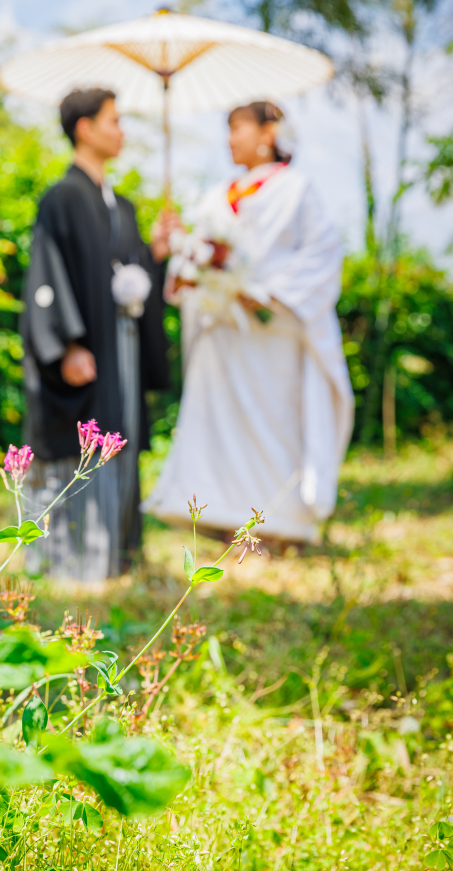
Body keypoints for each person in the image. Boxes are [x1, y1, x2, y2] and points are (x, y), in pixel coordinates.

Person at [144, 101, 354, 548]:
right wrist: (179, 246)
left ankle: (278, 525)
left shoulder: (297, 189)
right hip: (221, 335)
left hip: (272, 333)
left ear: (269, 131)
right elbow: (197, 259)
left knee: (274, 425)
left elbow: (321, 256)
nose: (229, 139)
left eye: (237, 127)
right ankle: (222, 518)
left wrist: (259, 292)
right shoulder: (215, 196)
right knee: (220, 428)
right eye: (227, 129)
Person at [21, 87, 170, 580]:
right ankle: (73, 557)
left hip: (120, 347)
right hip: (87, 347)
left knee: (119, 434)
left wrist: (155, 254)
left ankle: (118, 554)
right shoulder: (61, 198)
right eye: (113, 121)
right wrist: (66, 343)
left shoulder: (121, 205)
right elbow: (49, 273)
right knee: (83, 441)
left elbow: (126, 272)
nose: (121, 130)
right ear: (83, 128)